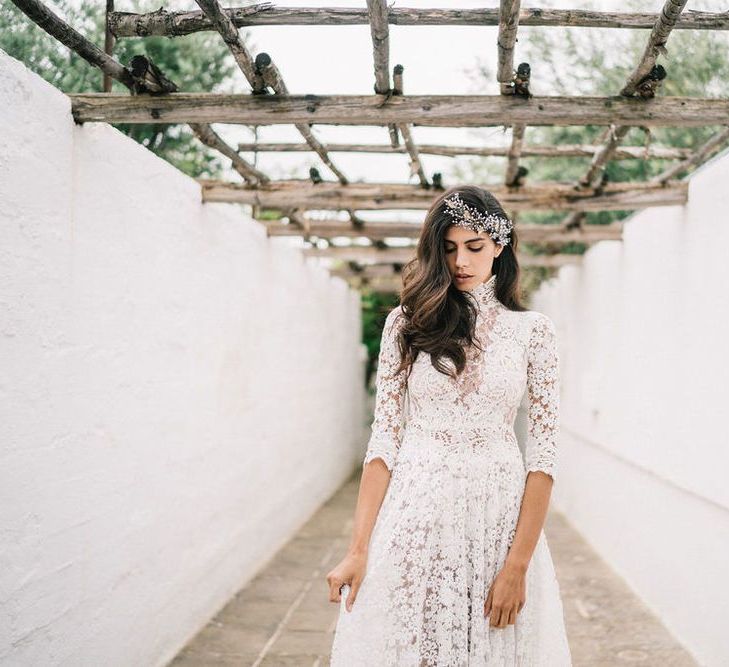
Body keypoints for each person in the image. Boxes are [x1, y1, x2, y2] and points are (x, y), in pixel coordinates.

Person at [326, 185, 572, 666]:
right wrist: (358, 548)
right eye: (449, 248)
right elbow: (384, 442)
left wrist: (518, 565)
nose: (460, 261)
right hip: (414, 515)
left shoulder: (533, 332)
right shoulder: (406, 324)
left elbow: (543, 456)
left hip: (495, 522)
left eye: (474, 247)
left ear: (500, 246)